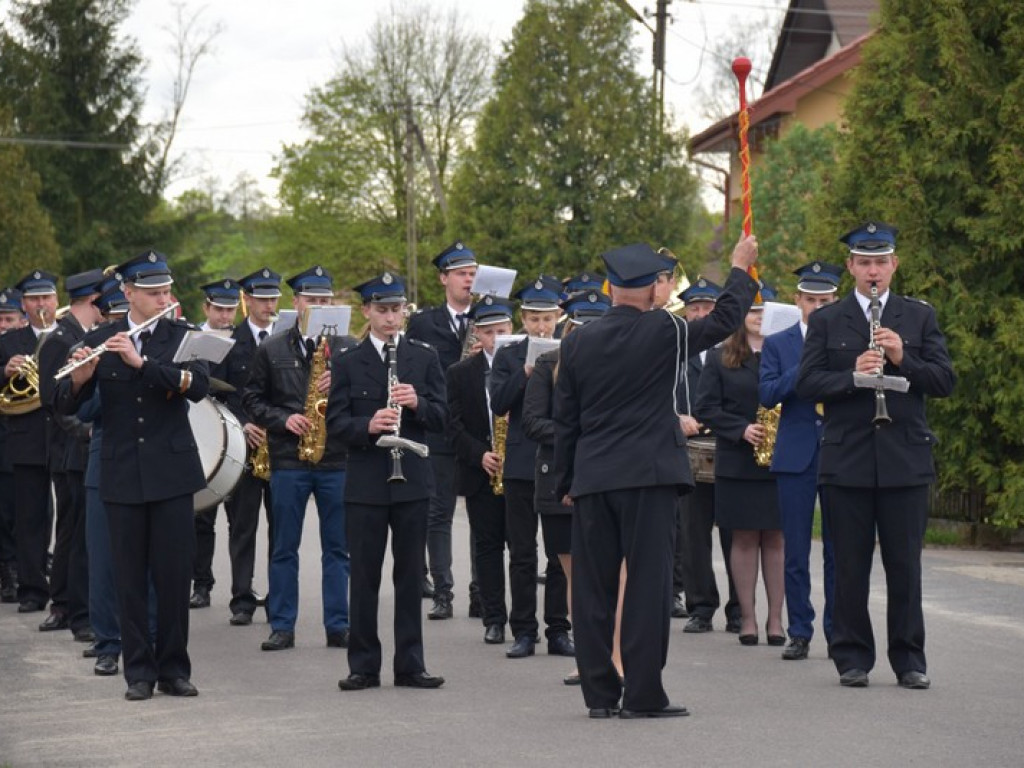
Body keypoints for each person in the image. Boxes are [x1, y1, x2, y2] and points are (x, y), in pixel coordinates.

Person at [554, 238, 759, 719]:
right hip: (649, 477)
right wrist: (739, 269)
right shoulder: (665, 328)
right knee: (647, 587)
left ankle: (600, 696)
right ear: (650, 291)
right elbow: (725, 320)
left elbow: (567, 420)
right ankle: (643, 695)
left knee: (592, 591)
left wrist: (566, 480)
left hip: (594, 478)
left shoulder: (578, 340)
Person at [796, 222, 955, 690]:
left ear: (894, 265)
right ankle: (852, 656)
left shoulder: (918, 317)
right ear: (850, 267)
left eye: (880, 262)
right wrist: (851, 372)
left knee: (905, 565)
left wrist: (905, 358)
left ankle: (909, 659)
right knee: (849, 565)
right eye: (863, 263)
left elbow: (944, 382)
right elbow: (806, 386)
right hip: (847, 460)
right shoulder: (827, 320)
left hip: (905, 459)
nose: (872, 270)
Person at [63, 250, 209, 701]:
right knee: (128, 578)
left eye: (165, 290)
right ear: (128, 294)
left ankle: (174, 670)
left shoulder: (183, 335)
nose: (163, 298)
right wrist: (81, 378)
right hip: (122, 473)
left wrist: (143, 366)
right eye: (153, 292)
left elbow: (198, 385)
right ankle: (139, 673)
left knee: (171, 577)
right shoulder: (103, 336)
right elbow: (67, 408)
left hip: (172, 472)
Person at [332, 271, 448, 691]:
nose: (390, 318)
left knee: (410, 578)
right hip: (366, 484)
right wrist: (369, 424)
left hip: (412, 479)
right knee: (364, 576)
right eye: (382, 310)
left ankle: (410, 665)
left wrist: (417, 403)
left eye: (397, 310)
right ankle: (363, 666)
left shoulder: (423, 356)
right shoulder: (347, 361)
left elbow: (442, 417)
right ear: (367, 311)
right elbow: (335, 425)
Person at [242, 265, 353, 652]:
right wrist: (282, 418)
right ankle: (282, 625)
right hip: (288, 459)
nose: (319, 306)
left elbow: (364, 402)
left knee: (337, 548)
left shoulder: (349, 349)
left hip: (336, 459)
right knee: (284, 546)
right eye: (312, 300)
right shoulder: (271, 347)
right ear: (297, 303)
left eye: (326, 300)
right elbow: (252, 399)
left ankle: (338, 624)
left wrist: (341, 385)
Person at [523, 288, 614, 686]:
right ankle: (591, 658)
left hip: (608, 477)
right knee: (576, 577)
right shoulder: (548, 363)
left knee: (611, 574)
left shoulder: (620, 364)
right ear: (570, 327)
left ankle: (615, 654)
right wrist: (579, 434)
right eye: (580, 326)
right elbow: (533, 421)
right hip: (561, 476)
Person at [759, 261, 841, 661]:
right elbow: (767, 393)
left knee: (838, 550)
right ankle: (799, 630)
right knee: (795, 549)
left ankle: (837, 630)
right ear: (798, 301)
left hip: (841, 451)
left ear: (835, 301)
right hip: (795, 454)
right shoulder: (779, 343)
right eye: (811, 300)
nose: (817, 307)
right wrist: (804, 364)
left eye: (825, 300)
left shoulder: (849, 340)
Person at [695, 284, 784, 647]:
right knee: (744, 538)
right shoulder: (719, 357)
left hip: (780, 461)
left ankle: (776, 621)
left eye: (765, 312)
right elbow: (706, 407)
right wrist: (739, 429)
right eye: (752, 311)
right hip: (738, 459)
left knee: (777, 540)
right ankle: (747, 619)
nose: (758, 318)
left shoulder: (788, 353)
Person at [490, 275, 573, 661]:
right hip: (523, 462)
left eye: (548, 318)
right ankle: (523, 630)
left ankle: (559, 629)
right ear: (523, 319)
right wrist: (525, 375)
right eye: (535, 319)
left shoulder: (569, 352)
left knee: (560, 553)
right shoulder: (508, 356)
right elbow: (498, 404)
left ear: (558, 316)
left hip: (560, 463)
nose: (542, 326)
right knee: (521, 551)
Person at [405, 241, 478, 618]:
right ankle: (443, 592)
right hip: (441, 427)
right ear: (443, 278)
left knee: (482, 514)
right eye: (462, 274)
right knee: (439, 513)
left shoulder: (488, 316)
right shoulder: (423, 322)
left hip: (478, 427)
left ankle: (481, 593)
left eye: (472, 274)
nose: (469, 280)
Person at [37, 268, 105, 643]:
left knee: (71, 532)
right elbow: (54, 403)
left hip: (76, 451)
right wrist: (87, 430)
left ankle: (63, 603)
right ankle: (79, 614)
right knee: (77, 536)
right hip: (69, 453)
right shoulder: (61, 340)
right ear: (93, 301)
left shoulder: (79, 336)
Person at [445, 296, 515, 646]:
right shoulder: (460, 374)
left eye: (502, 331)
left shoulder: (527, 367)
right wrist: (481, 455)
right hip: (481, 471)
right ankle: (494, 618)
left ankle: (524, 621)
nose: (496, 339)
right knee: (487, 548)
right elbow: (453, 426)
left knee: (522, 548)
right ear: (479, 336)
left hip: (517, 472)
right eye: (489, 333)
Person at [674, 278, 742, 636]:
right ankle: (701, 606)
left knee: (734, 532)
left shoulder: (736, 350)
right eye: (694, 309)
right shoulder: (676, 350)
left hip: (728, 446)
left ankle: (738, 608)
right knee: (692, 533)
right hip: (688, 449)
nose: (700, 315)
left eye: (707, 309)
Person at [219, 268, 281, 626]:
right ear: (247, 300)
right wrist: (242, 425)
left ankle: (278, 597)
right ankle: (241, 598)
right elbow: (220, 392)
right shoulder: (231, 340)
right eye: (262, 298)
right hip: (245, 447)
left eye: (273, 298)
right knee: (242, 526)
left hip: (281, 445)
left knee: (281, 527)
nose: (268, 304)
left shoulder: (288, 339)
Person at [0, 271, 59, 615]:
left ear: (55, 301)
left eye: (46, 298)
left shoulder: (70, 336)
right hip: (25, 438)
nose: (41, 305)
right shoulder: (9, 342)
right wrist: (4, 371)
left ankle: (66, 590)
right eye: (34, 299)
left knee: (67, 518)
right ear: (24, 305)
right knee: (30, 517)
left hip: (64, 436)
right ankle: (32, 589)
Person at [189, 279, 241, 610]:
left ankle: (243, 590)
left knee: (241, 521)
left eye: (230, 309)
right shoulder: (193, 339)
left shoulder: (245, 341)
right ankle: (201, 584)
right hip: (203, 434)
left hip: (239, 436)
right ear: (207, 308)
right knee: (201, 517)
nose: (225, 316)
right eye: (219, 309)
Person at [0, 287, 25, 603]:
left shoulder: (26, 345)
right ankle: (9, 570)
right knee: (4, 511)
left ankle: (22, 564)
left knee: (28, 510)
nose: (3, 324)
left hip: (21, 438)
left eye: (8, 318)